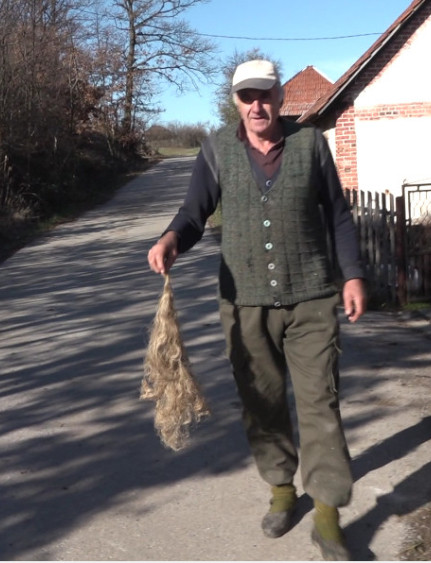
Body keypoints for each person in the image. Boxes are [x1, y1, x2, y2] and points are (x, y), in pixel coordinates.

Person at [147, 59, 366, 560]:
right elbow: (194, 213)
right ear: (236, 102)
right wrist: (171, 238)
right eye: (247, 97)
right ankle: (282, 491)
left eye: (265, 95)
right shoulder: (216, 150)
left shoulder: (310, 145)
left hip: (311, 297)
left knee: (320, 403)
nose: (257, 105)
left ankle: (328, 514)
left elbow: (338, 214)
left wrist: (352, 274)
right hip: (244, 303)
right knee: (261, 403)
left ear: (280, 97)